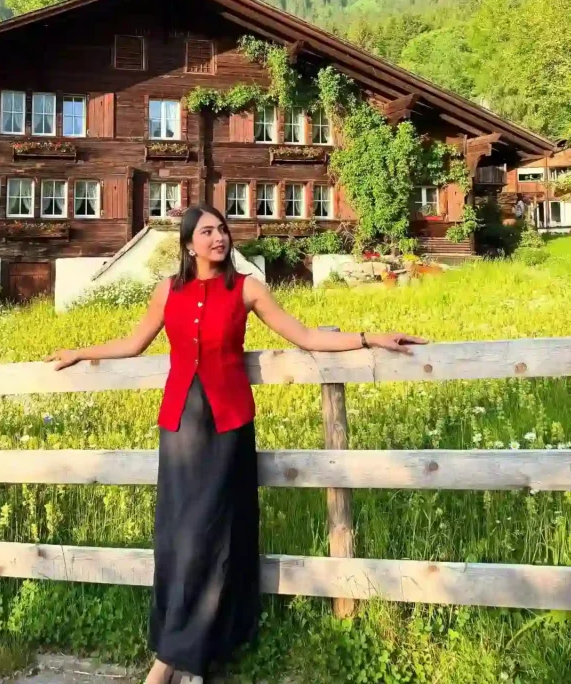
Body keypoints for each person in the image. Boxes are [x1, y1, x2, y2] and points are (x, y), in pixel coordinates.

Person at [45, 204, 427, 684]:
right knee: (178, 537)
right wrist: (80, 351)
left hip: (228, 426)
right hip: (181, 424)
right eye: (207, 231)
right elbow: (134, 342)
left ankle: (174, 662)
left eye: (222, 229)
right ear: (188, 244)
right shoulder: (168, 290)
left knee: (218, 536)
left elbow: (305, 335)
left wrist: (371, 338)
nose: (218, 237)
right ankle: (186, 654)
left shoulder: (246, 288)